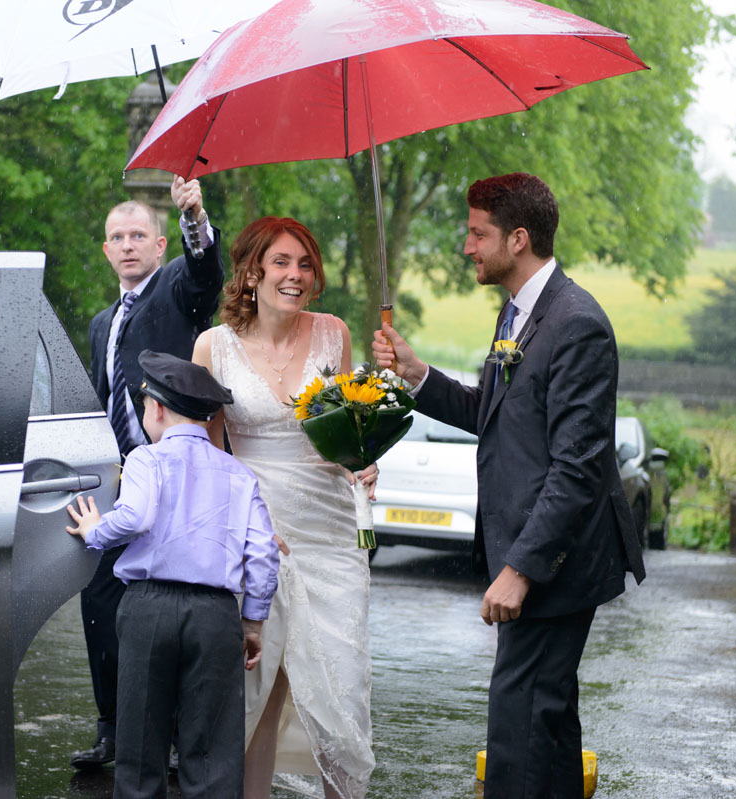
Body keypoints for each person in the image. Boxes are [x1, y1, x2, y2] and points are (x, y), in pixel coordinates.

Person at [372, 173, 646, 799]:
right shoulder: (517, 314)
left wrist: (521, 568)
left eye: (478, 234)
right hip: (532, 555)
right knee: (545, 720)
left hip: (558, 563)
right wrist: (417, 375)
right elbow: (491, 414)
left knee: (517, 720)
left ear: (518, 239)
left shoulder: (577, 324)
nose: (466, 247)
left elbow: (578, 466)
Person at [192, 217, 377, 799]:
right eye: (281, 262)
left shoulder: (333, 335)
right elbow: (205, 453)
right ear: (251, 271)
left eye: (304, 264)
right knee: (258, 695)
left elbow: (344, 433)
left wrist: (363, 459)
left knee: (341, 692)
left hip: (330, 534)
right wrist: (242, 529)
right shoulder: (212, 346)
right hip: (257, 536)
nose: (295, 275)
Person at [66, 350, 280, 799]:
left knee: (141, 744)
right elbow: (262, 552)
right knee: (210, 752)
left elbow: (135, 517)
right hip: (216, 615)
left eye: (145, 406)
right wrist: (254, 620)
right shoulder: (239, 475)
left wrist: (94, 531)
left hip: (149, 607)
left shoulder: (147, 458)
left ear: (157, 409)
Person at [72, 177, 224, 769]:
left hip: (175, 480)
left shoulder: (175, 293)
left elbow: (205, 277)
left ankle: (180, 741)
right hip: (116, 482)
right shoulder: (100, 323)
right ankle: (113, 728)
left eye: (139, 235)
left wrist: (194, 219)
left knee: (173, 606)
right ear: (106, 250)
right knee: (100, 603)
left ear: (159, 246)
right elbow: (98, 399)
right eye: (117, 237)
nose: (128, 244)